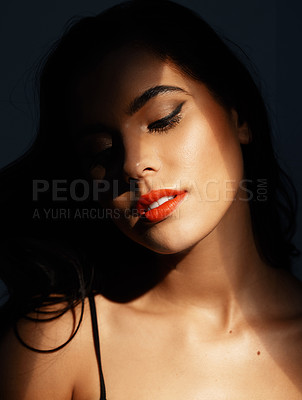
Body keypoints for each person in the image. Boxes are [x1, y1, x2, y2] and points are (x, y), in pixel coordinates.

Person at [0, 0, 301, 398]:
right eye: (101, 151)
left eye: (163, 119)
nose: (134, 164)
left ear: (238, 115)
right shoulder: (58, 345)